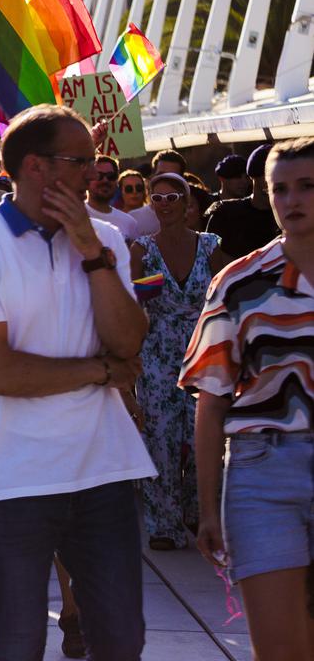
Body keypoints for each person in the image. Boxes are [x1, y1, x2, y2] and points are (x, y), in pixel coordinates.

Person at [0, 105, 153, 661]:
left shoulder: (106, 238)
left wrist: (91, 251)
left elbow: (130, 339)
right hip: (14, 481)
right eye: (79, 160)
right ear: (35, 167)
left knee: (121, 642)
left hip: (104, 471)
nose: (95, 172)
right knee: (15, 655)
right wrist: (98, 371)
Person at [183, 136, 314, 661]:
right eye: (279, 188)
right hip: (264, 476)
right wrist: (206, 507)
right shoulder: (239, 282)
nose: (292, 199)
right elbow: (211, 402)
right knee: (281, 656)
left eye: (307, 186)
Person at [131, 172, 226, 551]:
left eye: (174, 197)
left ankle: (194, 508)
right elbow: (137, 303)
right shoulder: (144, 251)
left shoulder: (209, 247)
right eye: (158, 198)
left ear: (189, 205)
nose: (165, 204)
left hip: (203, 352)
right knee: (160, 439)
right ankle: (163, 524)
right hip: (157, 354)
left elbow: (232, 290)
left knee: (201, 435)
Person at [203, 143, 280, 263]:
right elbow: (209, 251)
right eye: (267, 174)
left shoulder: (287, 215)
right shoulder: (226, 214)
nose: (273, 180)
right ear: (254, 176)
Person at [85, 154, 145, 239]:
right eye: (99, 175)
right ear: (87, 179)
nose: (105, 180)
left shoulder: (129, 223)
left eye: (111, 176)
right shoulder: (75, 215)